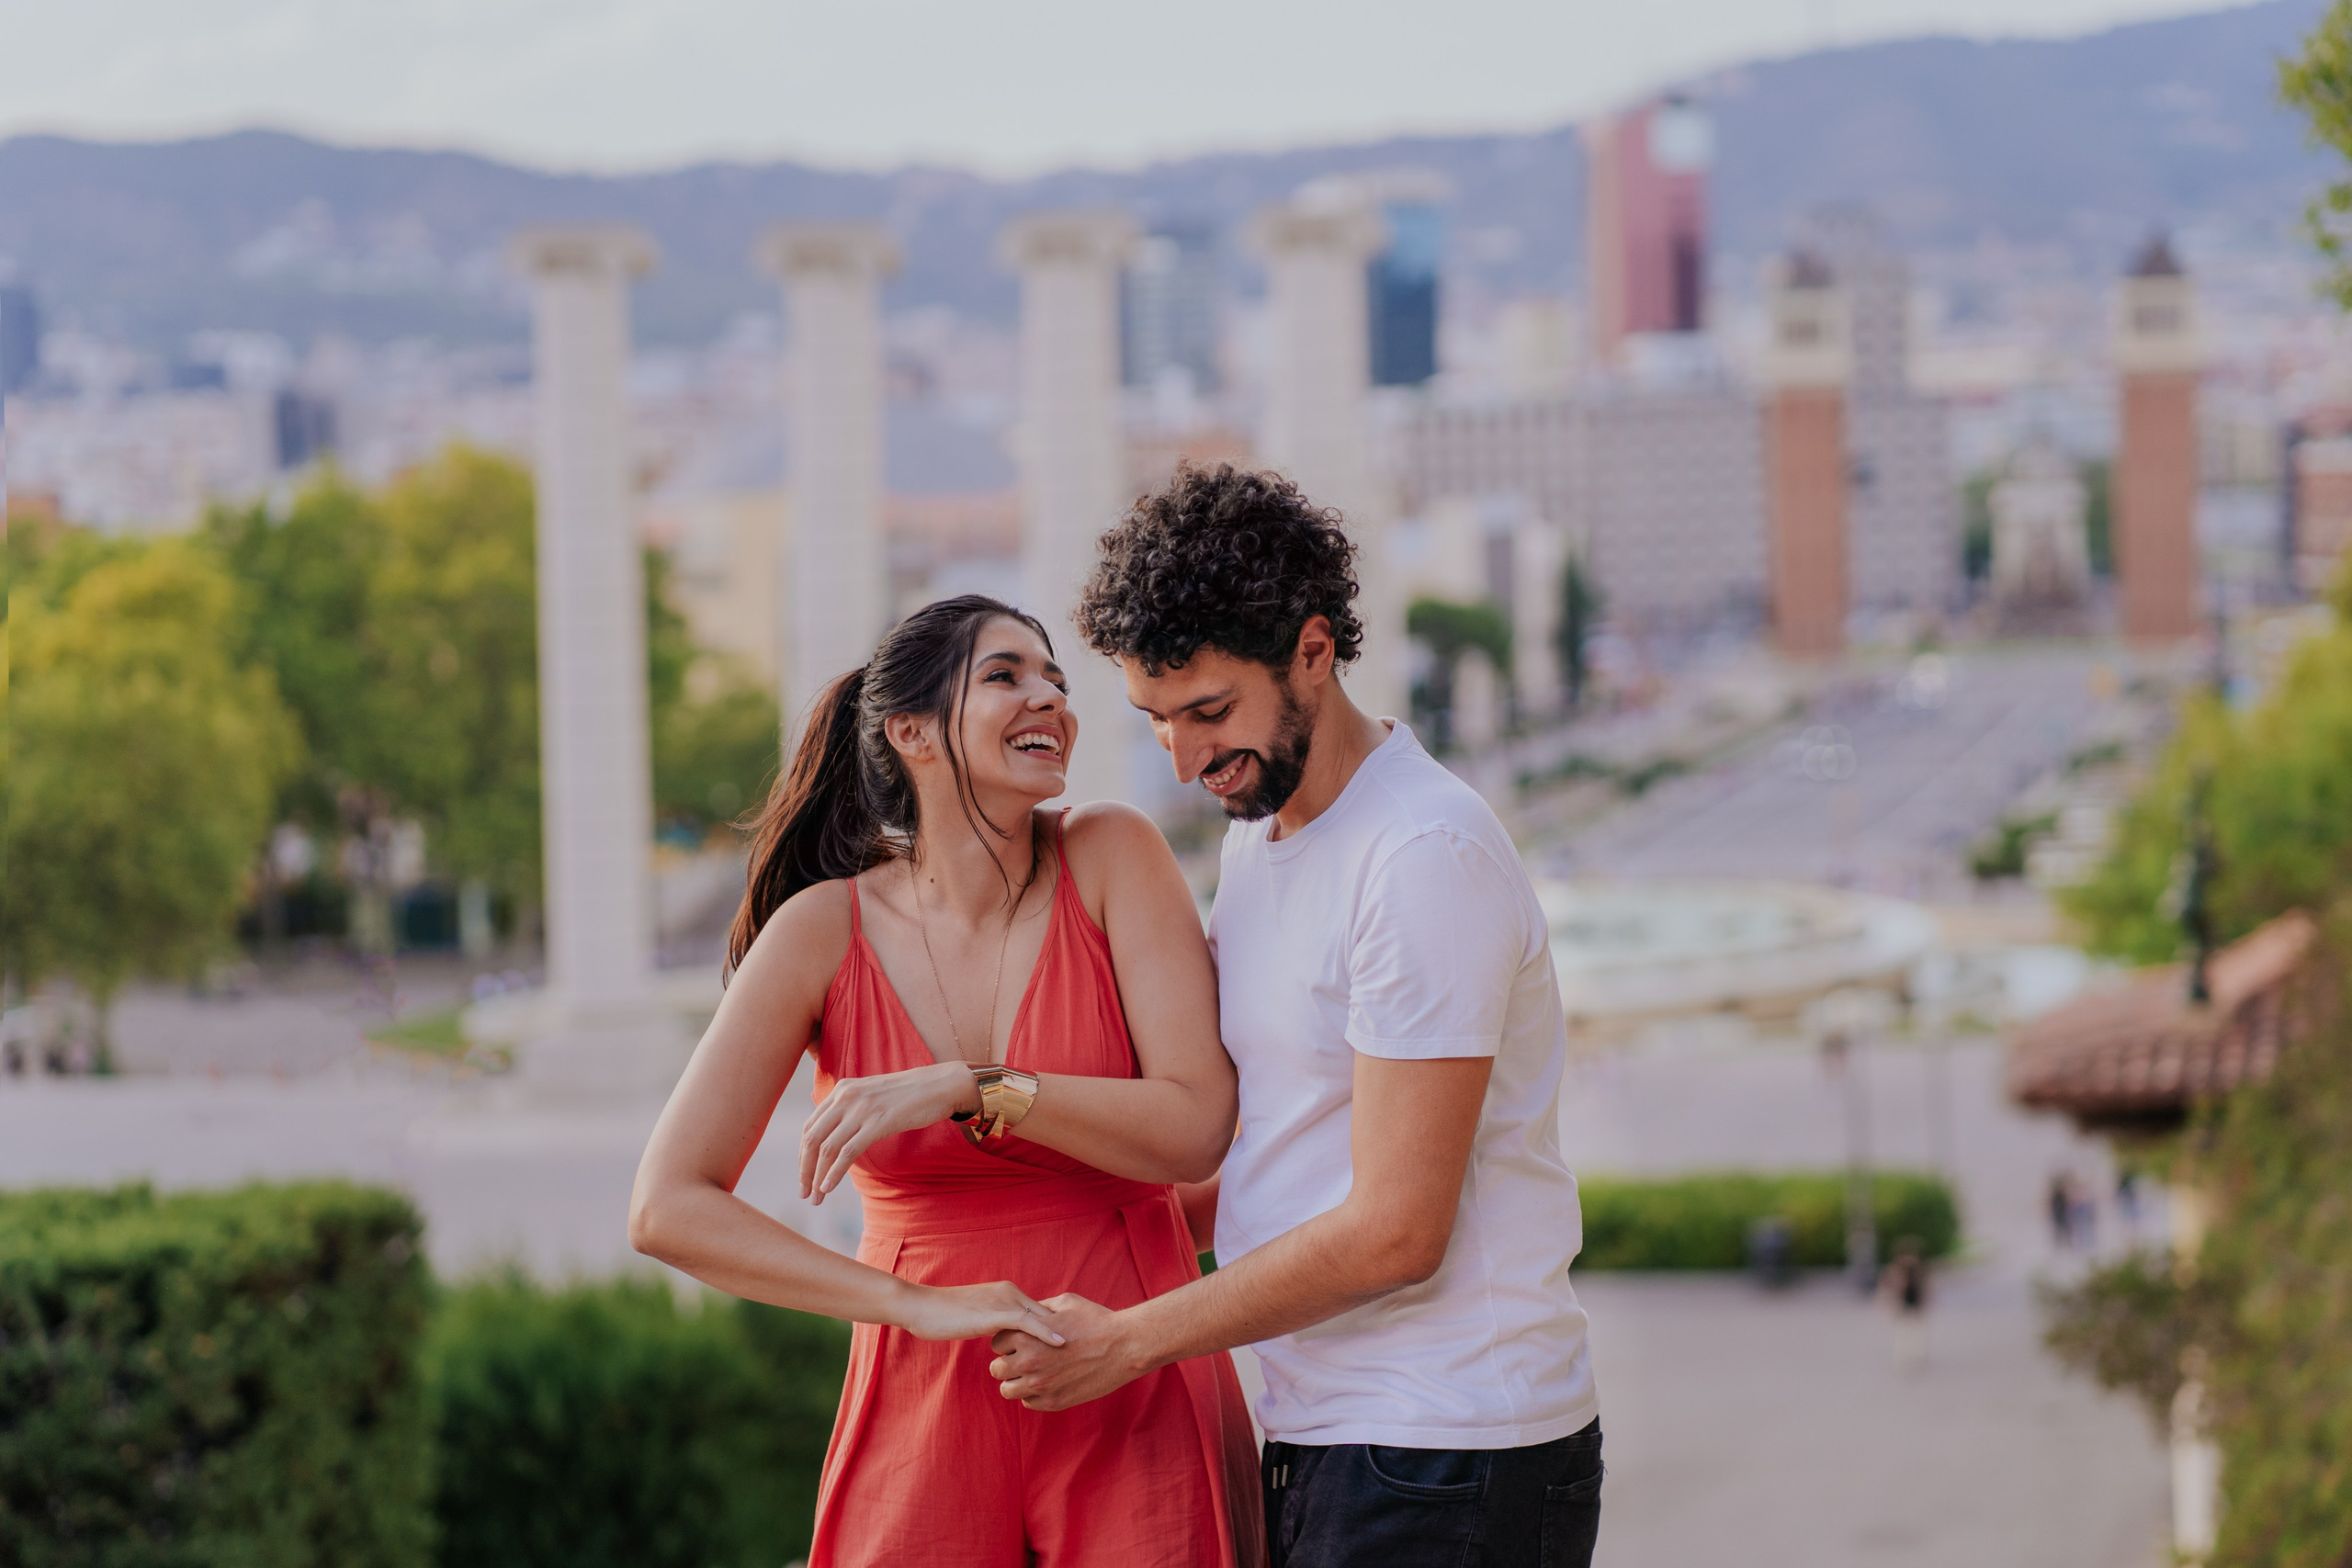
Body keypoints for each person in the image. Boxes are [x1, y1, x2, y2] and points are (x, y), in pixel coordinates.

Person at [989, 466, 1604, 1568]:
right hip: (1338, 1436)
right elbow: (1287, 1147)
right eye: (1155, 720)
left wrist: (1128, 1343)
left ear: (1314, 652)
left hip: (1448, 1449)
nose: (1183, 759)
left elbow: (1397, 1230)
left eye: (1209, 712)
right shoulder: (1260, 835)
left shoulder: (1419, 856)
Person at [629, 594, 1263, 1568]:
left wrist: (977, 1086)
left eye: (1054, 677)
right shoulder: (819, 929)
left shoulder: (1111, 855)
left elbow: (1194, 1126)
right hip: (920, 1392)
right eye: (1006, 675)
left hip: (1126, 1370)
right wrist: (914, 1306)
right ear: (912, 731)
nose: (1049, 696)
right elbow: (667, 1207)